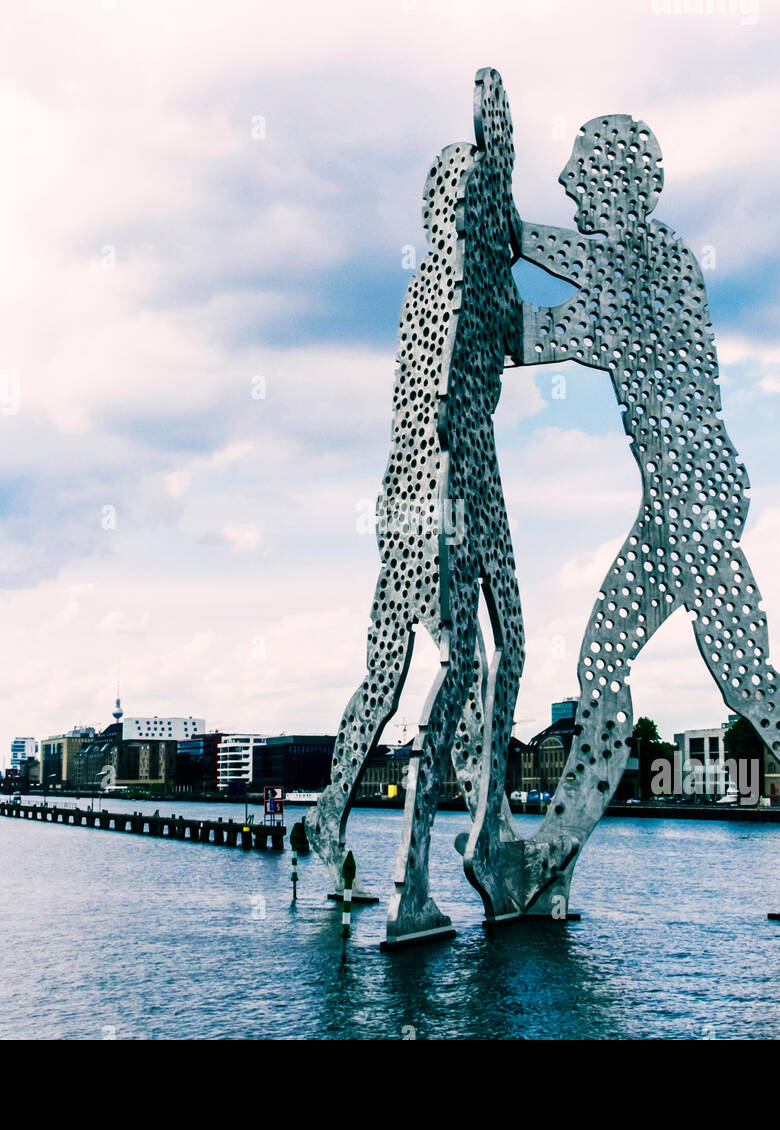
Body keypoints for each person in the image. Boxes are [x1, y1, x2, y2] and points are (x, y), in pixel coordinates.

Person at [509, 116, 780, 916]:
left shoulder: (654, 265)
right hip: (683, 496)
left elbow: (540, 326)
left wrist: (494, 234)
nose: (568, 183)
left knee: (646, 668)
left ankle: (550, 858)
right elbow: (547, 323)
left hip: (695, 493)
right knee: (690, 671)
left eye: (581, 169)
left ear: (619, 181)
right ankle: (555, 867)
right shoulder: (637, 273)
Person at [303, 69, 528, 944]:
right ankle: (412, 878)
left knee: (466, 655)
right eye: (474, 205)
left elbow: (519, 337)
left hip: (460, 482)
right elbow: (436, 405)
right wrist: (444, 525)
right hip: (434, 491)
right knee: (451, 664)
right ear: (453, 212)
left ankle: (460, 834)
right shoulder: (442, 284)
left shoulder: (472, 283)